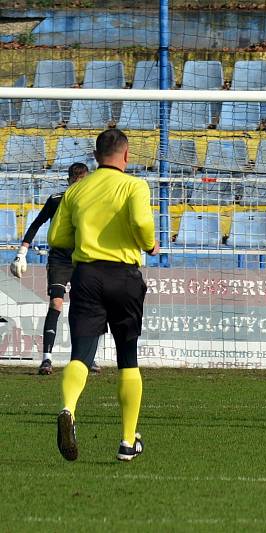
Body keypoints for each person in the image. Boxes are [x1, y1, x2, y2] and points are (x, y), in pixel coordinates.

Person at [48, 128, 158, 461]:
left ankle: (69, 408)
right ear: (126, 156)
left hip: (87, 276)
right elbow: (141, 221)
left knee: (80, 354)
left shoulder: (77, 189)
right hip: (123, 276)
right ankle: (127, 441)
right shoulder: (134, 185)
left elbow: (58, 237)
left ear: (96, 157)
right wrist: (148, 242)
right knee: (127, 357)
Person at [9, 162, 101, 375]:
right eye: (75, 182)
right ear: (69, 181)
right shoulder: (56, 200)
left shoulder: (92, 202)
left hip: (83, 258)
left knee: (85, 308)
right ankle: (47, 359)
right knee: (56, 304)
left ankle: (86, 358)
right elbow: (36, 224)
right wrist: (22, 252)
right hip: (60, 259)